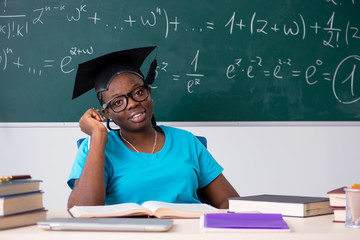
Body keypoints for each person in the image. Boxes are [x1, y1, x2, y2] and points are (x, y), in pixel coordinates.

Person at [67, 46, 239, 209]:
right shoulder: (93, 148)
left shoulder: (187, 142)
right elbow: (83, 211)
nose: (132, 103)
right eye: (118, 102)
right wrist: (98, 135)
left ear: (149, 92)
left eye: (138, 92)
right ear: (108, 113)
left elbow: (229, 201)